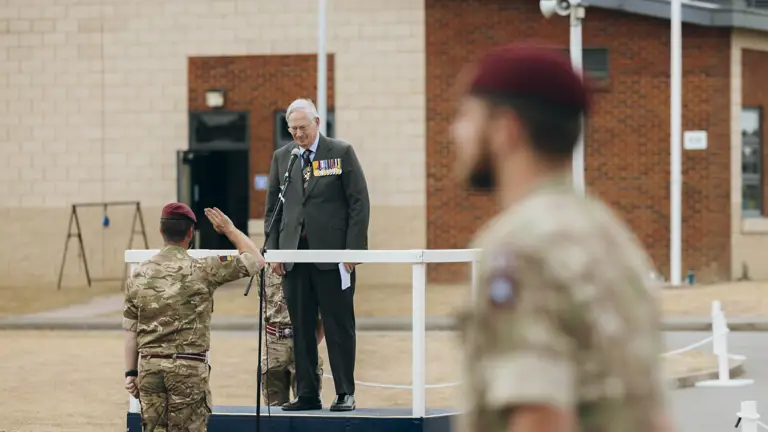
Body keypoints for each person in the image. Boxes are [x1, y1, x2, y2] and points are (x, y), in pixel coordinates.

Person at [450, 44, 673, 432]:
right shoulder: (610, 233)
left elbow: (540, 416)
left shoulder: (518, 246)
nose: (455, 130)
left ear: (507, 129)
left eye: (467, 115)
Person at [264, 98, 370, 412]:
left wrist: (353, 250)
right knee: (302, 326)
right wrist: (274, 252)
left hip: (333, 256)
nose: (298, 134)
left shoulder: (340, 152)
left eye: (302, 127)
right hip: (294, 256)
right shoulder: (283, 158)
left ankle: (344, 392)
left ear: (317, 123)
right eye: (292, 128)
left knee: (338, 325)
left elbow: (358, 203)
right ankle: (308, 393)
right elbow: (274, 209)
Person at [123, 204, 265, 431]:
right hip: (188, 368)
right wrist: (229, 229)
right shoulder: (203, 268)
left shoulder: (139, 273)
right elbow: (256, 260)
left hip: (150, 367)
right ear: (191, 233)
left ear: (161, 231)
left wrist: (131, 373)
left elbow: (131, 331)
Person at [260, 264, 326, 406]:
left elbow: (324, 309)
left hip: (303, 342)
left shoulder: (309, 264)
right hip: (273, 346)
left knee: (308, 410)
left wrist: (312, 342)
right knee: (273, 411)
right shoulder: (264, 266)